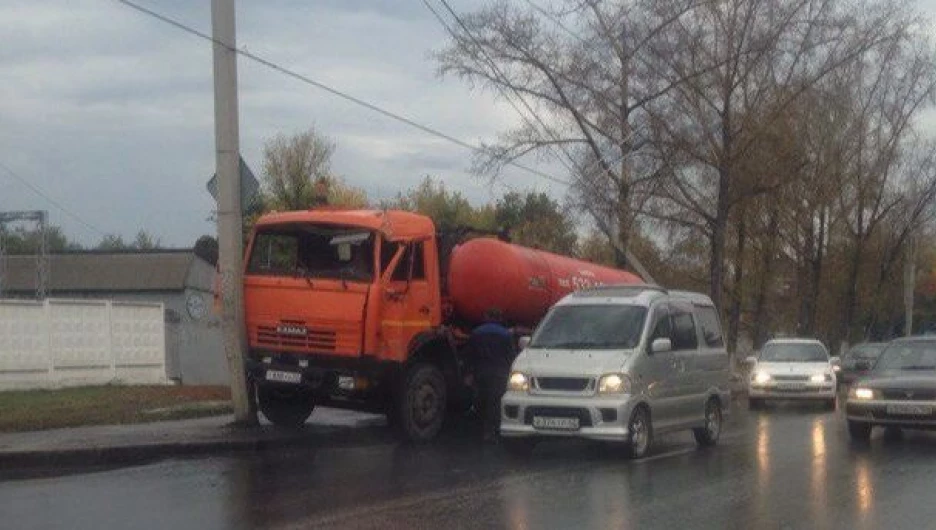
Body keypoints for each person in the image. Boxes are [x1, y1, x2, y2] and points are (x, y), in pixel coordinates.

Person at [467, 308, 517, 442]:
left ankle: (478, 430)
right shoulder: (505, 334)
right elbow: (510, 356)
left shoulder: (476, 333)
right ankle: (491, 432)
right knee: (494, 403)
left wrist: (470, 373)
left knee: (481, 400)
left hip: (481, 372)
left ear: (487, 317)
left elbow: (470, 354)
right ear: (499, 318)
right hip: (499, 373)